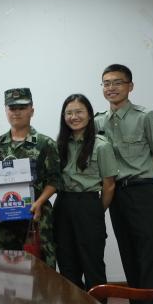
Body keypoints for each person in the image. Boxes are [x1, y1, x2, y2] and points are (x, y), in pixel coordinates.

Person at [95, 63, 153, 304]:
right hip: (115, 193)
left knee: (147, 252)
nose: (111, 88)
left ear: (130, 86)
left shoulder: (145, 116)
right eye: (106, 83)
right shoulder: (99, 121)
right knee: (127, 250)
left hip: (142, 190)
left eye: (117, 82)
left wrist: (152, 189)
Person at [0, 88, 61, 268]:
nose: (16, 112)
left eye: (22, 108)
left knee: (42, 272)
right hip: (5, 223)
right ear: (6, 111)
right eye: (12, 108)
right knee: (7, 272)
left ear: (31, 111)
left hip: (36, 218)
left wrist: (39, 202)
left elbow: (55, 180)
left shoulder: (45, 144)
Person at [55, 94, 117, 292]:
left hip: (88, 205)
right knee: (66, 265)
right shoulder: (59, 144)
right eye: (69, 113)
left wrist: (96, 210)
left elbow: (109, 185)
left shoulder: (102, 145)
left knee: (92, 265)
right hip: (63, 204)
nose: (74, 117)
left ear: (89, 114)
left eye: (79, 112)